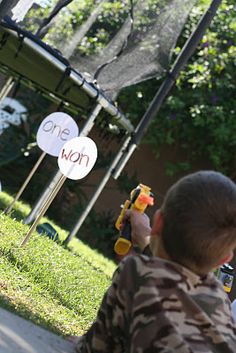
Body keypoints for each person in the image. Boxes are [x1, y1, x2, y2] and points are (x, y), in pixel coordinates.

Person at [74, 171, 236, 352]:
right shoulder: (221, 299)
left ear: (157, 222)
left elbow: (94, 348)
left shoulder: (134, 271)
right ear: (225, 259)